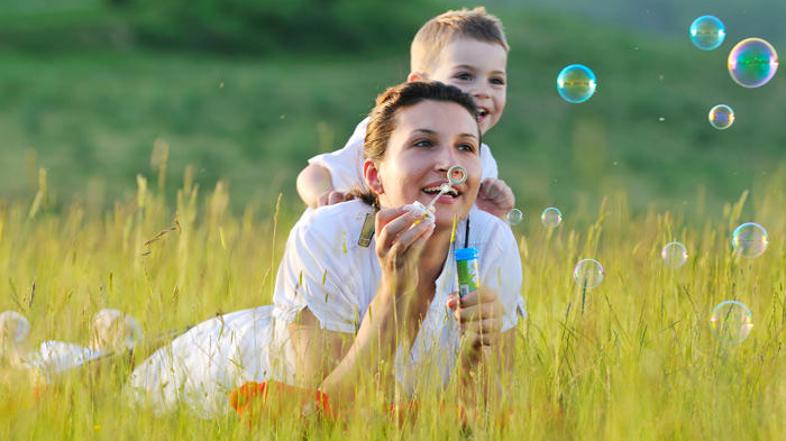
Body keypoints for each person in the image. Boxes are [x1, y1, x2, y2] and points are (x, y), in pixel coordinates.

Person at [128, 81, 525, 418]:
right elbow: (322, 414)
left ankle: (120, 335)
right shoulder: (326, 236)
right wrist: (393, 293)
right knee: (99, 372)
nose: (449, 164)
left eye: (466, 148)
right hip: (214, 382)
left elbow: (485, 418)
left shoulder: (489, 242)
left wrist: (477, 350)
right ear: (375, 176)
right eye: (423, 143)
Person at [296, 7, 515, 220]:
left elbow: (465, 228)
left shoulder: (482, 160)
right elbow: (314, 174)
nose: (483, 92)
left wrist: (492, 213)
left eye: (496, 80)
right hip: (348, 246)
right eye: (464, 76)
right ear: (419, 84)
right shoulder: (392, 134)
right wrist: (323, 199)